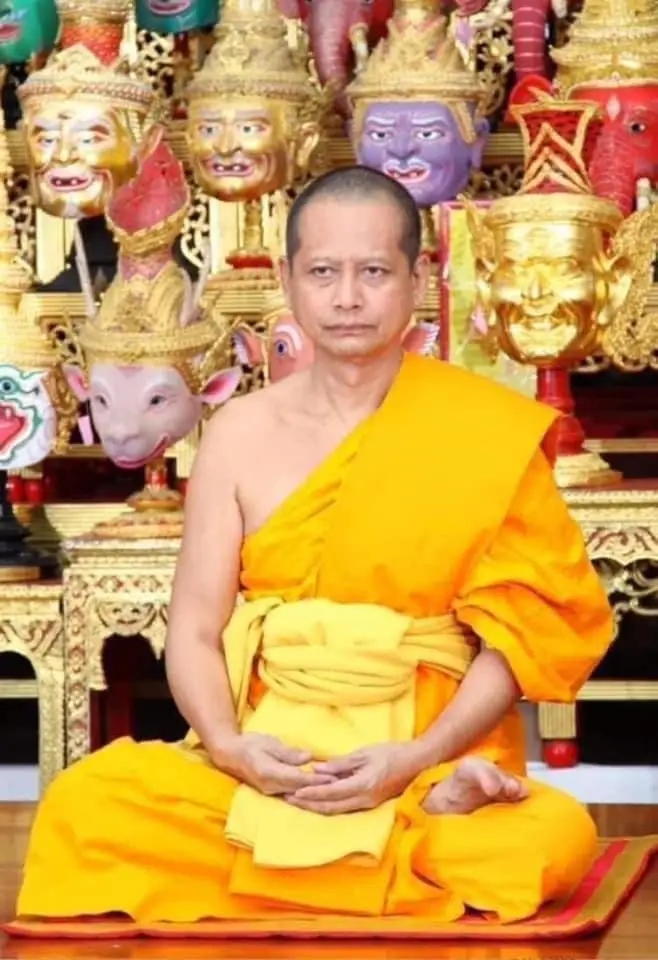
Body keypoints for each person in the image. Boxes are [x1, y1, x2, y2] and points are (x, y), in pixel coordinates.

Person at [12, 166, 613, 933]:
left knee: (549, 841)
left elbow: (522, 635)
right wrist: (230, 748)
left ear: (417, 280)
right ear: (290, 281)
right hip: (274, 760)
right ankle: (395, 851)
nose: (348, 297)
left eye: (374, 273)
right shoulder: (237, 433)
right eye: (324, 273)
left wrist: (417, 756)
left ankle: (407, 816)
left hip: (426, 753)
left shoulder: (483, 429)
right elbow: (194, 628)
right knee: (86, 806)